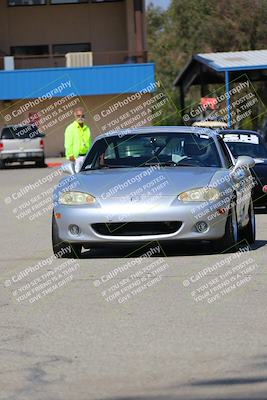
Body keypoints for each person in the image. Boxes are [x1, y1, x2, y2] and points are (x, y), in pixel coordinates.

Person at [64, 107, 92, 172]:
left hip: (87, 156)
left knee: (87, 175)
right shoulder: (70, 128)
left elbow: (90, 141)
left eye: (82, 116)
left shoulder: (87, 128)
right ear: (75, 116)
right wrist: (70, 154)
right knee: (78, 176)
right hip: (77, 157)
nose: (80, 117)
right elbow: (68, 143)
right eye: (78, 116)